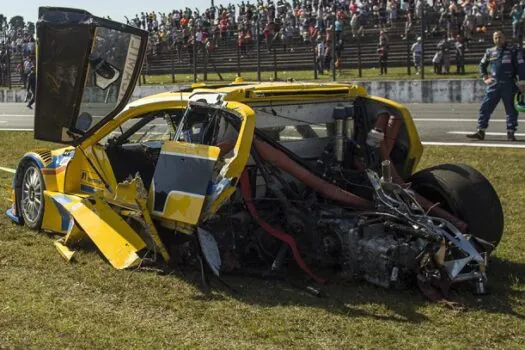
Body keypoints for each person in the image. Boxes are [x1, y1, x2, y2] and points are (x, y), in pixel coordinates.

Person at [467, 31, 525, 141]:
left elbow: (521, 66)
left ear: (504, 38)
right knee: (485, 107)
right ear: (493, 39)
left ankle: (511, 132)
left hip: (509, 84)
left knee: (511, 109)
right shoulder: (490, 51)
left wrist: (522, 82)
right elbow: (482, 65)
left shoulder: (513, 50)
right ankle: (481, 131)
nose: (498, 39)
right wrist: (485, 77)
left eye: (500, 37)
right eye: (496, 38)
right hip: (494, 84)